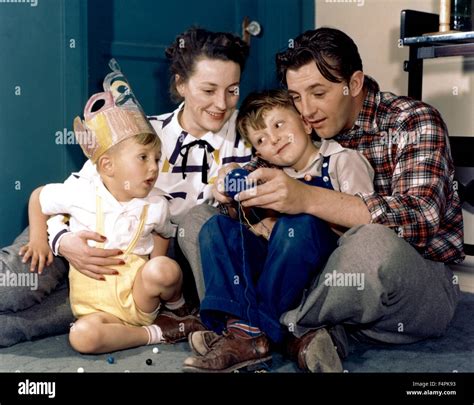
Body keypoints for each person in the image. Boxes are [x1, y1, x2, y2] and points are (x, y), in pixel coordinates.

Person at [180, 27, 464, 372]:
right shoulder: (292, 129)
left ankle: (246, 326)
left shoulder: (412, 121)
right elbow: (241, 203)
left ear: (354, 84)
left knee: (372, 243)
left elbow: (421, 221)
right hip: (305, 276)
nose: (307, 111)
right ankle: (298, 332)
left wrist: (306, 199)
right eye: (296, 97)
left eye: (318, 93)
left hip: (401, 287)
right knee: (199, 219)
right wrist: (233, 191)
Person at [0, 27, 251, 347]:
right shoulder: (139, 133)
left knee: (46, 322)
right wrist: (65, 242)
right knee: (11, 287)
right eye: (209, 90)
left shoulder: (246, 144)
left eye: (232, 90)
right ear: (181, 84)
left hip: (139, 271)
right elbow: (73, 195)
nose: (221, 103)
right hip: (71, 234)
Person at [181, 89, 375, 372]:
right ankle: (247, 329)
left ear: (306, 124)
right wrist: (227, 183)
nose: (272, 139)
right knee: (216, 228)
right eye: (261, 139)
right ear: (258, 152)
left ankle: (244, 332)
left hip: (319, 271)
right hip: (276, 267)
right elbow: (235, 205)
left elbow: (365, 227)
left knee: (299, 223)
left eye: (278, 124)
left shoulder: (342, 160)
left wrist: (300, 211)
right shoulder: (267, 174)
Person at [24, 63, 207, 354]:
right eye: (143, 158)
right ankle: (158, 333)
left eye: (156, 158)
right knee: (82, 337)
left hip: (138, 299)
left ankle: (177, 308)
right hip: (95, 308)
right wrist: (38, 238)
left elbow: (163, 234)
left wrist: (153, 266)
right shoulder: (82, 192)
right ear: (107, 165)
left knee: (164, 269)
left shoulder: (156, 204)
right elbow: (38, 197)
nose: (153, 167)